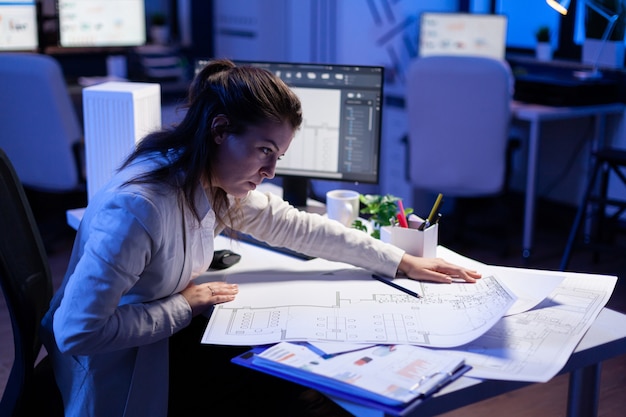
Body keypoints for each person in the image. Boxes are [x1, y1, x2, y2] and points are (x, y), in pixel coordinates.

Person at [41, 58, 481, 417]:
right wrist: (184, 305)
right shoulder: (139, 208)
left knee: (293, 373)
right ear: (219, 130)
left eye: (279, 155)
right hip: (126, 367)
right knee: (305, 398)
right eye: (264, 151)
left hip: (162, 342)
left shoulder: (209, 178)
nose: (271, 171)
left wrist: (399, 262)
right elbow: (77, 333)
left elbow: (296, 225)